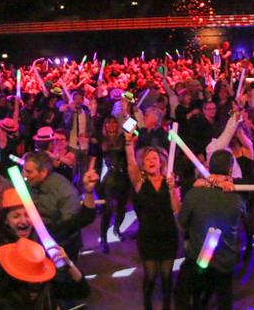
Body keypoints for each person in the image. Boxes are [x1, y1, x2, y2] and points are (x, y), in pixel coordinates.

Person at [175, 150, 244, 310]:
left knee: (184, 294)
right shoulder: (238, 198)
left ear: (209, 167)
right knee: (224, 301)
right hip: (224, 261)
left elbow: (182, 225)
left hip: (198, 259)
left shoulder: (194, 194)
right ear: (230, 170)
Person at [125, 132, 181, 310]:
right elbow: (131, 164)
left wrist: (172, 190)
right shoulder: (140, 181)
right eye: (147, 159)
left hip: (168, 235)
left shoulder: (169, 180)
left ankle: (166, 306)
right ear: (143, 163)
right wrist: (128, 143)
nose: (151, 161)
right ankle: (148, 305)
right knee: (150, 275)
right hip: (147, 236)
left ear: (161, 162)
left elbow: (177, 210)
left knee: (166, 276)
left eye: (154, 158)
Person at [22, 150, 83, 258]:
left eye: (29, 172)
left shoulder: (64, 191)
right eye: (24, 170)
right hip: (37, 243)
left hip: (61, 246)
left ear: (43, 172)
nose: (24, 175)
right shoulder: (29, 182)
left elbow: (68, 227)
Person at [91, 116, 129, 252]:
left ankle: (117, 228)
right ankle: (103, 238)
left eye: (114, 123)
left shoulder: (123, 138)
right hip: (108, 178)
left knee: (122, 207)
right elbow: (94, 159)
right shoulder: (100, 139)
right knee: (107, 209)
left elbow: (134, 126)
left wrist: (127, 113)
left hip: (123, 177)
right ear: (105, 125)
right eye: (108, 123)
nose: (111, 125)